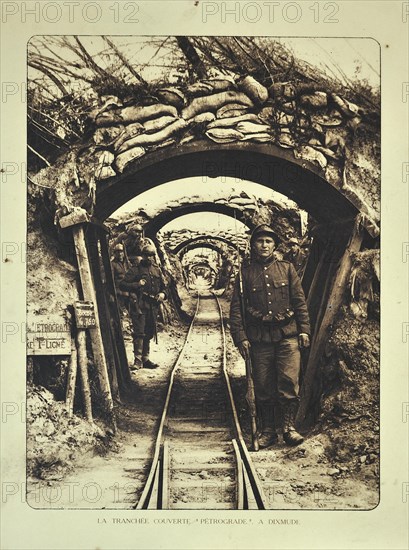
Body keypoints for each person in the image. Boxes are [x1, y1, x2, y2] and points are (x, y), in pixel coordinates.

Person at [230, 224, 311, 448]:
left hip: (287, 336)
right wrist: (241, 337)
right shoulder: (244, 274)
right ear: (253, 245)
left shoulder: (287, 269)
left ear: (274, 245)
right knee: (263, 386)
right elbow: (236, 310)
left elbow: (300, 302)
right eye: (259, 241)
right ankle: (267, 431)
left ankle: (288, 429)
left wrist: (304, 329)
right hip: (259, 339)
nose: (264, 245)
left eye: (268, 241)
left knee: (288, 382)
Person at [120, 243, 166, 370]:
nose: (150, 258)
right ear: (143, 256)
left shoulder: (157, 269)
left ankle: (146, 358)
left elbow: (164, 286)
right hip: (140, 305)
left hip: (153, 305)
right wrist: (137, 284)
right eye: (147, 256)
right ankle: (138, 360)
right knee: (139, 332)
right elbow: (122, 284)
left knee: (149, 332)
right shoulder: (136, 269)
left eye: (152, 256)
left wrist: (163, 294)